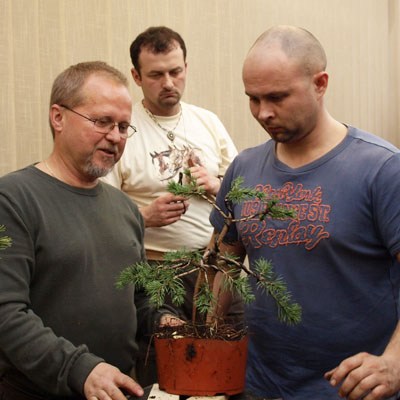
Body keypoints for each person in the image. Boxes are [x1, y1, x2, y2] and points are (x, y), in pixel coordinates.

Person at [210, 25, 400, 400]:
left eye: (277, 97)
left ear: (320, 84)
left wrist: (394, 361)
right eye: (253, 99)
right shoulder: (244, 168)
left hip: (353, 389)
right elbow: (223, 265)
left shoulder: (382, 169)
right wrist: (206, 334)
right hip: (259, 385)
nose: (263, 112)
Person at [0, 61, 179, 400]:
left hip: (117, 390)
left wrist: (164, 321)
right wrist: (80, 370)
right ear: (58, 117)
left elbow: (139, 299)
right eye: (102, 121)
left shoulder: (125, 209)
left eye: (123, 126)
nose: (115, 137)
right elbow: (6, 313)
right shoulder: (12, 199)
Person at [102, 26, 240, 385]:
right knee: (166, 375)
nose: (168, 83)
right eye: (156, 75)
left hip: (215, 267)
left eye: (175, 71)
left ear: (186, 68)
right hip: (155, 273)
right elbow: (100, 214)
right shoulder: (122, 130)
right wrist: (144, 217)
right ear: (136, 77)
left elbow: (244, 194)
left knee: (230, 370)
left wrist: (217, 186)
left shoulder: (207, 121)